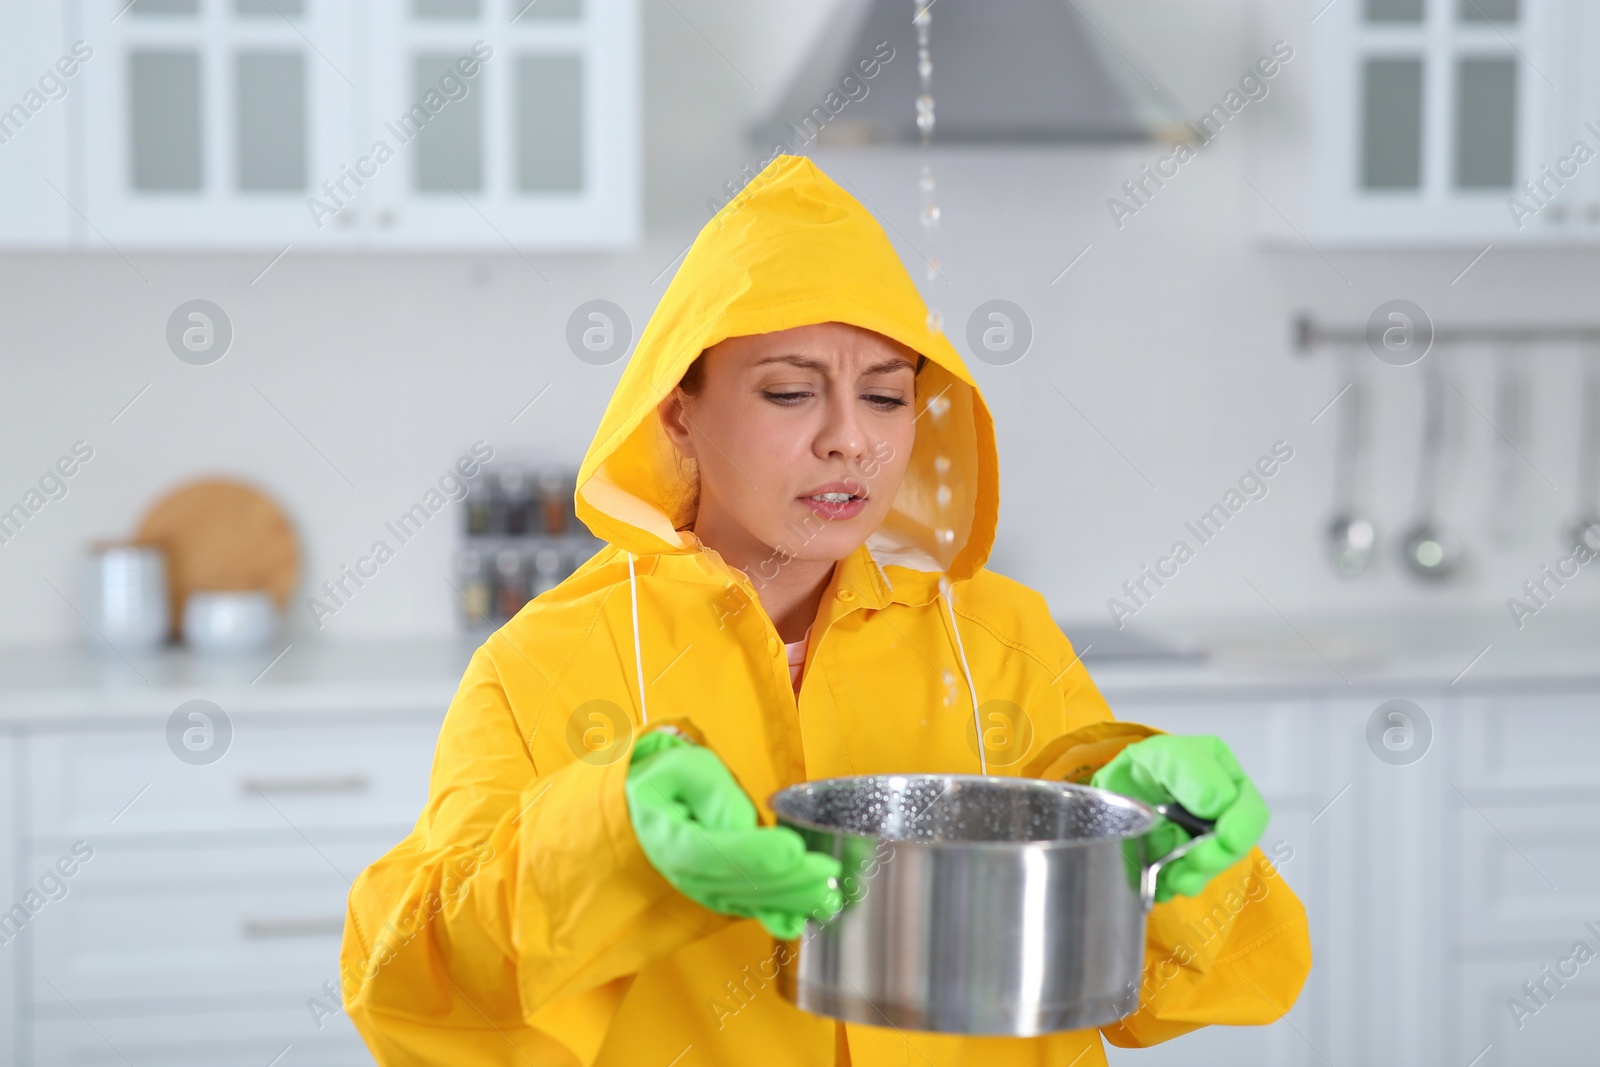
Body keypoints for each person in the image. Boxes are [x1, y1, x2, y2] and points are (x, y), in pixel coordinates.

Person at [339, 154, 1311, 1066]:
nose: (849, 440)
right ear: (679, 409)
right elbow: (408, 991)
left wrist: (1164, 838)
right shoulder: (546, 662)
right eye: (792, 391)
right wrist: (607, 846)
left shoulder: (997, 642)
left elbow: (1199, 985)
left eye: (886, 397)